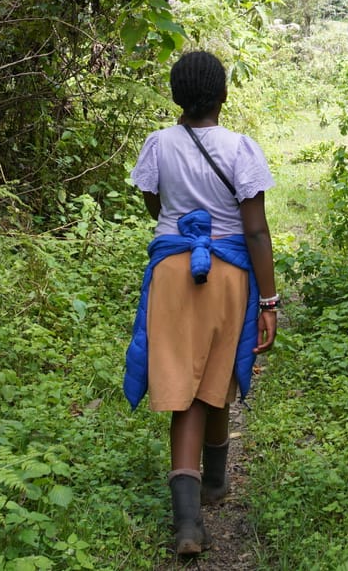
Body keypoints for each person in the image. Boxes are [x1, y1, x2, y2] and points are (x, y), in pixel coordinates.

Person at [122, 50, 279, 555]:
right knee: (213, 377)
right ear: (224, 95)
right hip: (228, 275)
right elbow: (254, 230)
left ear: (175, 96)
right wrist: (269, 301)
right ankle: (199, 506)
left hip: (172, 273)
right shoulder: (240, 149)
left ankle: (202, 498)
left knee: (186, 382)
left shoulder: (158, 144)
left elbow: (155, 202)